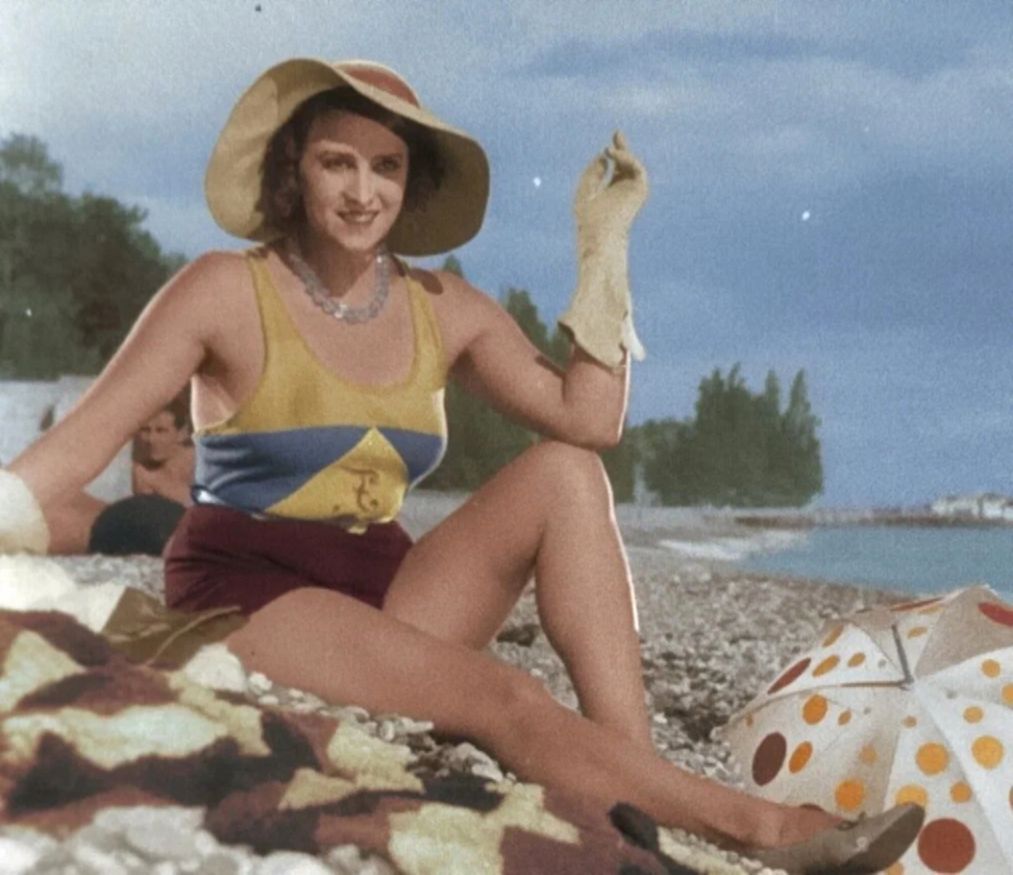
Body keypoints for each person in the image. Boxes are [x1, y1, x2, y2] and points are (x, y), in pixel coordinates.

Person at [0, 59, 923, 873]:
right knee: (503, 694)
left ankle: (638, 777)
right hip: (252, 591)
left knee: (565, 471)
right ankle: (763, 827)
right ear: (292, 171)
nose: (363, 192)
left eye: (386, 166)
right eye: (337, 162)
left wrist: (602, 249)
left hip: (389, 586)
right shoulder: (223, 288)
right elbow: (73, 449)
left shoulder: (443, 305)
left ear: (411, 182)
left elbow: (589, 419)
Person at [41, 397, 194, 556]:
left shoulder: (199, 461)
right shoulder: (141, 472)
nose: (151, 439)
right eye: (145, 430)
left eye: (161, 431)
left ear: (182, 433)